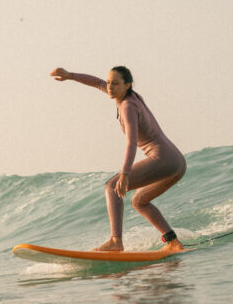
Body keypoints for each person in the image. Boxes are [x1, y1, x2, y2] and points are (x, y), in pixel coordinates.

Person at [51, 66, 186, 252]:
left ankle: (116, 241)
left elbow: (131, 142)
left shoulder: (128, 107)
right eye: (109, 82)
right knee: (139, 202)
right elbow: (97, 83)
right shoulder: (131, 96)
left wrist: (125, 174)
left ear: (127, 85)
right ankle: (173, 242)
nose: (110, 87)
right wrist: (71, 76)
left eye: (115, 83)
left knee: (111, 187)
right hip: (176, 162)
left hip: (163, 159)